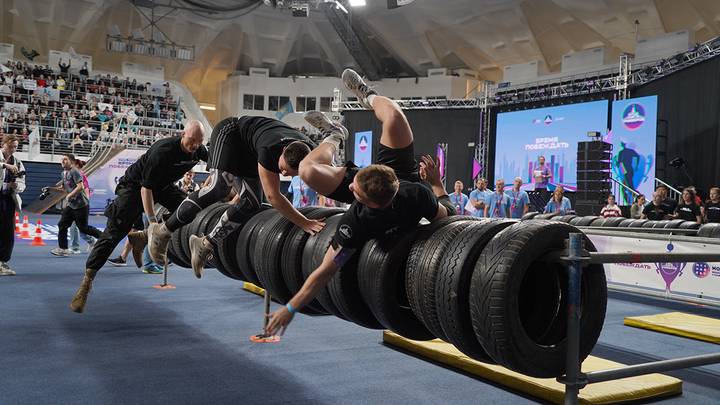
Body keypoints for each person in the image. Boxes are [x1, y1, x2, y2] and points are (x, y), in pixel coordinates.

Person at [265, 69, 453, 336]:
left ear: (369, 205)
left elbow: (325, 271)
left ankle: (335, 134)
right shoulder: (404, 189)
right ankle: (365, 99)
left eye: (354, 191)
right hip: (392, 174)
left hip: (393, 185)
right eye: (354, 182)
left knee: (307, 171)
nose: (350, 186)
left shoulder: (358, 221)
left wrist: (291, 308)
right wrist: (436, 183)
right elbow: (448, 211)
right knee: (394, 116)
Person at [148, 116, 322, 278]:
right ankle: (163, 231)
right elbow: (273, 197)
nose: (284, 174)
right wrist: (304, 222)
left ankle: (205, 244)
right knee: (220, 187)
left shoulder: (314, 155)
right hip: (231, 133)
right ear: (283, 151)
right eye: (282, 169)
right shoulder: (270, 150)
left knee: (251, 204)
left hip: (251, 152)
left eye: (291, 174)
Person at [69, 120, 207, 313]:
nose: (194, 146)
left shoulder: (199, 150)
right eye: (191, 140)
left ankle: (140, 237)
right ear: (183, 134)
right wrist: (151, 223)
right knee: (113, 234)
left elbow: (218, 165)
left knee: (190, 207)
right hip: (135, 186)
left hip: (163, 186)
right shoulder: (163, 150)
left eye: (199, 142)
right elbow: (146, 189)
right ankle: (86, 282)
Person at [51, 153, 103, 257]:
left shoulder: (75, 171)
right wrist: (50, 189)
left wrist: (70, 195)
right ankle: (63, 248)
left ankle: (103, 237)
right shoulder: (63, 173)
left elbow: (80, 186)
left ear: (71, 161)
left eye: (65, 159)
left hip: (81, 205)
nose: (63, 161)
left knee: (83, 228)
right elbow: (65, 188)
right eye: (62, 160)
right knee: (62, 224)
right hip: (71, 205)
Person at [0, 134, 25, 276]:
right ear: (3, 144)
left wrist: (16, 186)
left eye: (15, 147)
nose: (13, 149)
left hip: (8, 199)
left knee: (8, 232)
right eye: (10, 146)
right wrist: (4, 165)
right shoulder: (5, 160)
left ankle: (2, 262)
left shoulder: (18, 162)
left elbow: (23, 182)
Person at [69, 158, 96, 254]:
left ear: (76, 165)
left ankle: (75, 247)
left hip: (81, 205)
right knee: (79, 227)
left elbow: (85, 189)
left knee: (76, 226)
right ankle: (91, 241)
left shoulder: (80, 175)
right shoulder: (74, 175)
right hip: (76, 204)